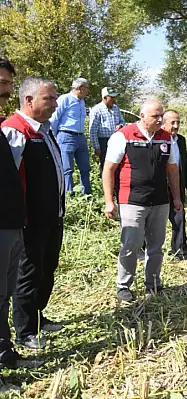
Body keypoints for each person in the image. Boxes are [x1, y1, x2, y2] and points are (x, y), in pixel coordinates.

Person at [2, 77, 64, 350]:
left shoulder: (45, 130)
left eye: (55, 97)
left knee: (46, 268)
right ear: (28, 101)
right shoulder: (14, 131)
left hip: (53, 214)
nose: (55, 103)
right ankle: (25, 331)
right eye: (48, 98)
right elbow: (8, 178)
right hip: (29, 219)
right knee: (27, 273)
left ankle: (38, 316)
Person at [102, 100, 182, 302]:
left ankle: (153, 283)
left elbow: (172, 169)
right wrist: (109, 201)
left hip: (160, 201)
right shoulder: (123, 136)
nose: (160, 119)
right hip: (132, 200)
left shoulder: (166, 138)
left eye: (161, 115)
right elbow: (108, 170)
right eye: (156, 116)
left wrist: (177, 198)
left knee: (156, 245)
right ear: (142, 116)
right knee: (131, 244)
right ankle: (123, 285)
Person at [0, 60, 30, 379]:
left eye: (9, 83)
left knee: (4, 294)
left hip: (11, 223)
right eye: (2, 83)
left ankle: (5, 352)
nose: (9, 90)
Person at [50, 78, 92, 195]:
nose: (87, 91)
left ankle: (87, 195)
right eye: (86, 89)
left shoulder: (81, 102)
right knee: (67, 169)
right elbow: (54, 118)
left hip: (80, 137)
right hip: (66, 136)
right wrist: (53, 137)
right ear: (81, 88)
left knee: (85, 168)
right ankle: (68, 196)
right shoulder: (65, 99)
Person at [163, 110, 187, 260]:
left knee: (179, 216)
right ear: (164, 122)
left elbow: (184, 165)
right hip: (161, 185)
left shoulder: (181, 140)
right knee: (153, 219)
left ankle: (180, 250)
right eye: (172, 122)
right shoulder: (159, 139)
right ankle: (143, 249)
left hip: (178, 185)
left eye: (178, 122)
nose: (176, 126)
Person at [89, 87, 125, 172]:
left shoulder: (116, 108)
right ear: (105, 98)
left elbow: (122, 121)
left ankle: (116, 185)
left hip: (116, 140)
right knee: (106, 166)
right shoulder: (97, 110)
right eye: (112, 97)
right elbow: (93, 130)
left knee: (118, 164)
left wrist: (120, 125)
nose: (114, 99)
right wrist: (96, 147)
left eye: (114, 97)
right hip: (104, 142)